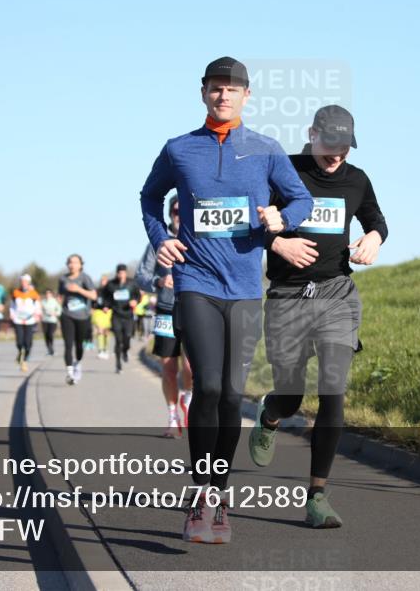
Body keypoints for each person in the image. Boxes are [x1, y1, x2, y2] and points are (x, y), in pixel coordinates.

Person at [140, 57, 312, 544]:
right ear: (203, 93)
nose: (224, 97)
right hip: (195, 282)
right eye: (216, 89)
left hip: (244, 289)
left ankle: (218, 493)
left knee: (234, 397)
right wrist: (160, 239)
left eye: (232, 90)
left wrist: (281, 218)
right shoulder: (179, 149)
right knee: (210, 388)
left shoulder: (265, 150)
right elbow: (150, 198)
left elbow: (299, 200)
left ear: (246, 97)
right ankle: (201, 494)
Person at [248, 105, 387, 529]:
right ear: (312, 134)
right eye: (330, 144)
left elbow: (376, 219)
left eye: (345, 145)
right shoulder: (283, 171)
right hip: (289, 296)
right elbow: (251, 223)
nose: (337, 154)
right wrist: (278, 244)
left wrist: (375, 238)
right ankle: (271, 414)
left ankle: (317, 496)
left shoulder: (357, 180)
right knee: (291, 395)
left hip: (336, 295)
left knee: (333, 389)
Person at [135, 194, 193, 438]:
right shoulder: (157, 243)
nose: (179, 216)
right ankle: (172, 417)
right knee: (168, 368)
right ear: (170, 214)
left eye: (183, 211)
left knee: (192, 368)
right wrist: (159, 280)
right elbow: (141, 275)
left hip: (194, 310)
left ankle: (188, 400)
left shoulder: (197, 238)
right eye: (176, 211)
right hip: (166, 311)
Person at [59, 254, 97, 385]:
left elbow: (93, 296)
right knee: (68, 344)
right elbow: (60, 295)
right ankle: (70, 374)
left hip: (83, 316)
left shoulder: (85, 278)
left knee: (79, 344)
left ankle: (77, 363)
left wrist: (79, 289)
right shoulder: (63, 279)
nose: (72, 265)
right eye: (70, 262)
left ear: (80, 264)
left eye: (75, 262)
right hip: (67, 315)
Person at [101, 264, 140, 374]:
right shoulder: (111, 284)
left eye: (123, 273)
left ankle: (125, 350)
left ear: (126, 273)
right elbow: (105, 297)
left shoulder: (132, 283)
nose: (121, 275)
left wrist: (135, 301)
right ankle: (118, 365)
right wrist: (105, 306)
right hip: (116, 315)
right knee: (118, 340)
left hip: (128, 315)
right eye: (119, 273)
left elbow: (138, 296)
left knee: (127, 337)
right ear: (117, 273)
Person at [9, 274, 41, 373]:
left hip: (30, 320)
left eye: (26, 282)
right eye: (22, 282)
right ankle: (20, 353)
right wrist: (12, 314)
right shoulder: (15, 293)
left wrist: (37, 315)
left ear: (28, 283)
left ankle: (25, 359)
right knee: (19, 341)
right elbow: (12, 305)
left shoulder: (34, 294)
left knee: (28, 343)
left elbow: (37, 306)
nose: (24, 284)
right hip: (18, 320)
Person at [91, 275, 111, 359]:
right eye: (102, 281)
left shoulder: (111, 291)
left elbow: (114, 301)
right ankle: (100, 350)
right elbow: (92, 300)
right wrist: (91, 308)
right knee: (100, 330)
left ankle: (106, 349)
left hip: (108, 312)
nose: (104, 282)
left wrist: (108, 306)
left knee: (106, 332)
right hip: (98, 312)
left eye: (105, 281)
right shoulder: (97, 291)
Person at [41, 290, 61, 356]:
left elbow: (59, 310)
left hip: (52, 321)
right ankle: (49, 350)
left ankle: (52, 348)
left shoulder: (54, 301)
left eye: (49, 293)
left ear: (51, 294)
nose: (47, 295)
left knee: (50, 334)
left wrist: (54, 313)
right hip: (44, 320)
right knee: (46, 335)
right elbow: (39, 310)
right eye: (46, 293)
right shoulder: (43, 302)